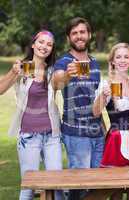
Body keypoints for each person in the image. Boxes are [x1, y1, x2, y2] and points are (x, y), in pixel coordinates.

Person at [5, 30, 64, 200]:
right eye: (41, 42)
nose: (44, 46)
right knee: (29, 188)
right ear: (33, 44)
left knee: (57, 186)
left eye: (49, 44)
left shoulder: (53, 71)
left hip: (52, 135)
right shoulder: (23, 67)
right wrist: (13, 72)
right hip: (28, 136)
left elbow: (62, 82)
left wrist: (67, 75)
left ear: (52, 50)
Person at [52, 17, 105, 200]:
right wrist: (67, 74)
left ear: (89, 35)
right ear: (69, 38)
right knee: (79, 185)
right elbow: (56, 83)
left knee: (97, 186)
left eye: (82, 32)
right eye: (74, 33)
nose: (79, 36)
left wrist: (104, 130)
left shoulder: (95, 63)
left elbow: (96, 99)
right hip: (76, 135)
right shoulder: (63, 62)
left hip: (97, 134)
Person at [93, 42, 129, 200]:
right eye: (118, 57)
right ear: (112, 61)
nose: (122, 60)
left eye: (126, 56)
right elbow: (95, 112)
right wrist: (103, 96)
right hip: (118, 138)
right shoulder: (106, 84)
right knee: (117, 187)